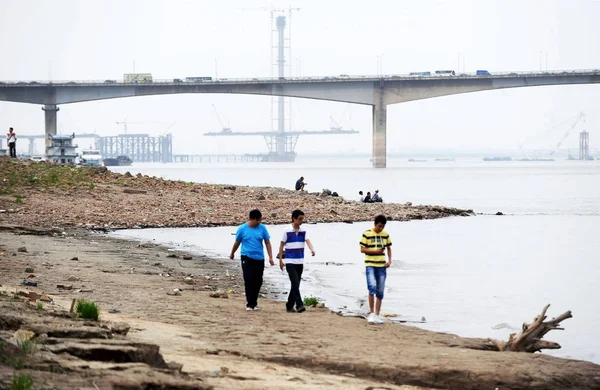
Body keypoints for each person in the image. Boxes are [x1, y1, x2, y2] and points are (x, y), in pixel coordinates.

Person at [230, 209, 274, 311]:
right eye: (258, 220)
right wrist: (232, 253)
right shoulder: (242, 229)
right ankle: (250, 304)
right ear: (252, 218)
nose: (259, 222)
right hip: (246, 257)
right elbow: (237, 242)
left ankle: (254, 303)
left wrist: (270, 257)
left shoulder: (262, 228)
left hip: (259, 258)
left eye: (260, 220)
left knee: (258, 281)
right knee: (249, 280)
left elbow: (267, 242)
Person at [278, 209, 315, 313]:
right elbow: (281, 245)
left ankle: (289, 305)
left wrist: (312, 249)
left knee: (296, 284)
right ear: (294, 218)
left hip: (300, 261)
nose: (301, 221)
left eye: (302, 219)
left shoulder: (303, 230)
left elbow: (307, 241)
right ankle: (299, 305)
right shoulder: (287, 230)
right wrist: (281, 260)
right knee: (294, 283)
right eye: (299, 219)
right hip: (290, 261)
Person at [359, 215, 392, 324]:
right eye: (379, 226)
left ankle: (377, 315)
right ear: (375, 224)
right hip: (370, 264)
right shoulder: (367, 234)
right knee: (372, 286)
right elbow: (362, 249)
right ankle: (371, 313)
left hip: (381, 266)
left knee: (380, 290)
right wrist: (375, 251)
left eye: (382, 227)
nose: (381, 228)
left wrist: (390, 261)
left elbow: (389, 248)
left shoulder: (385, 235)